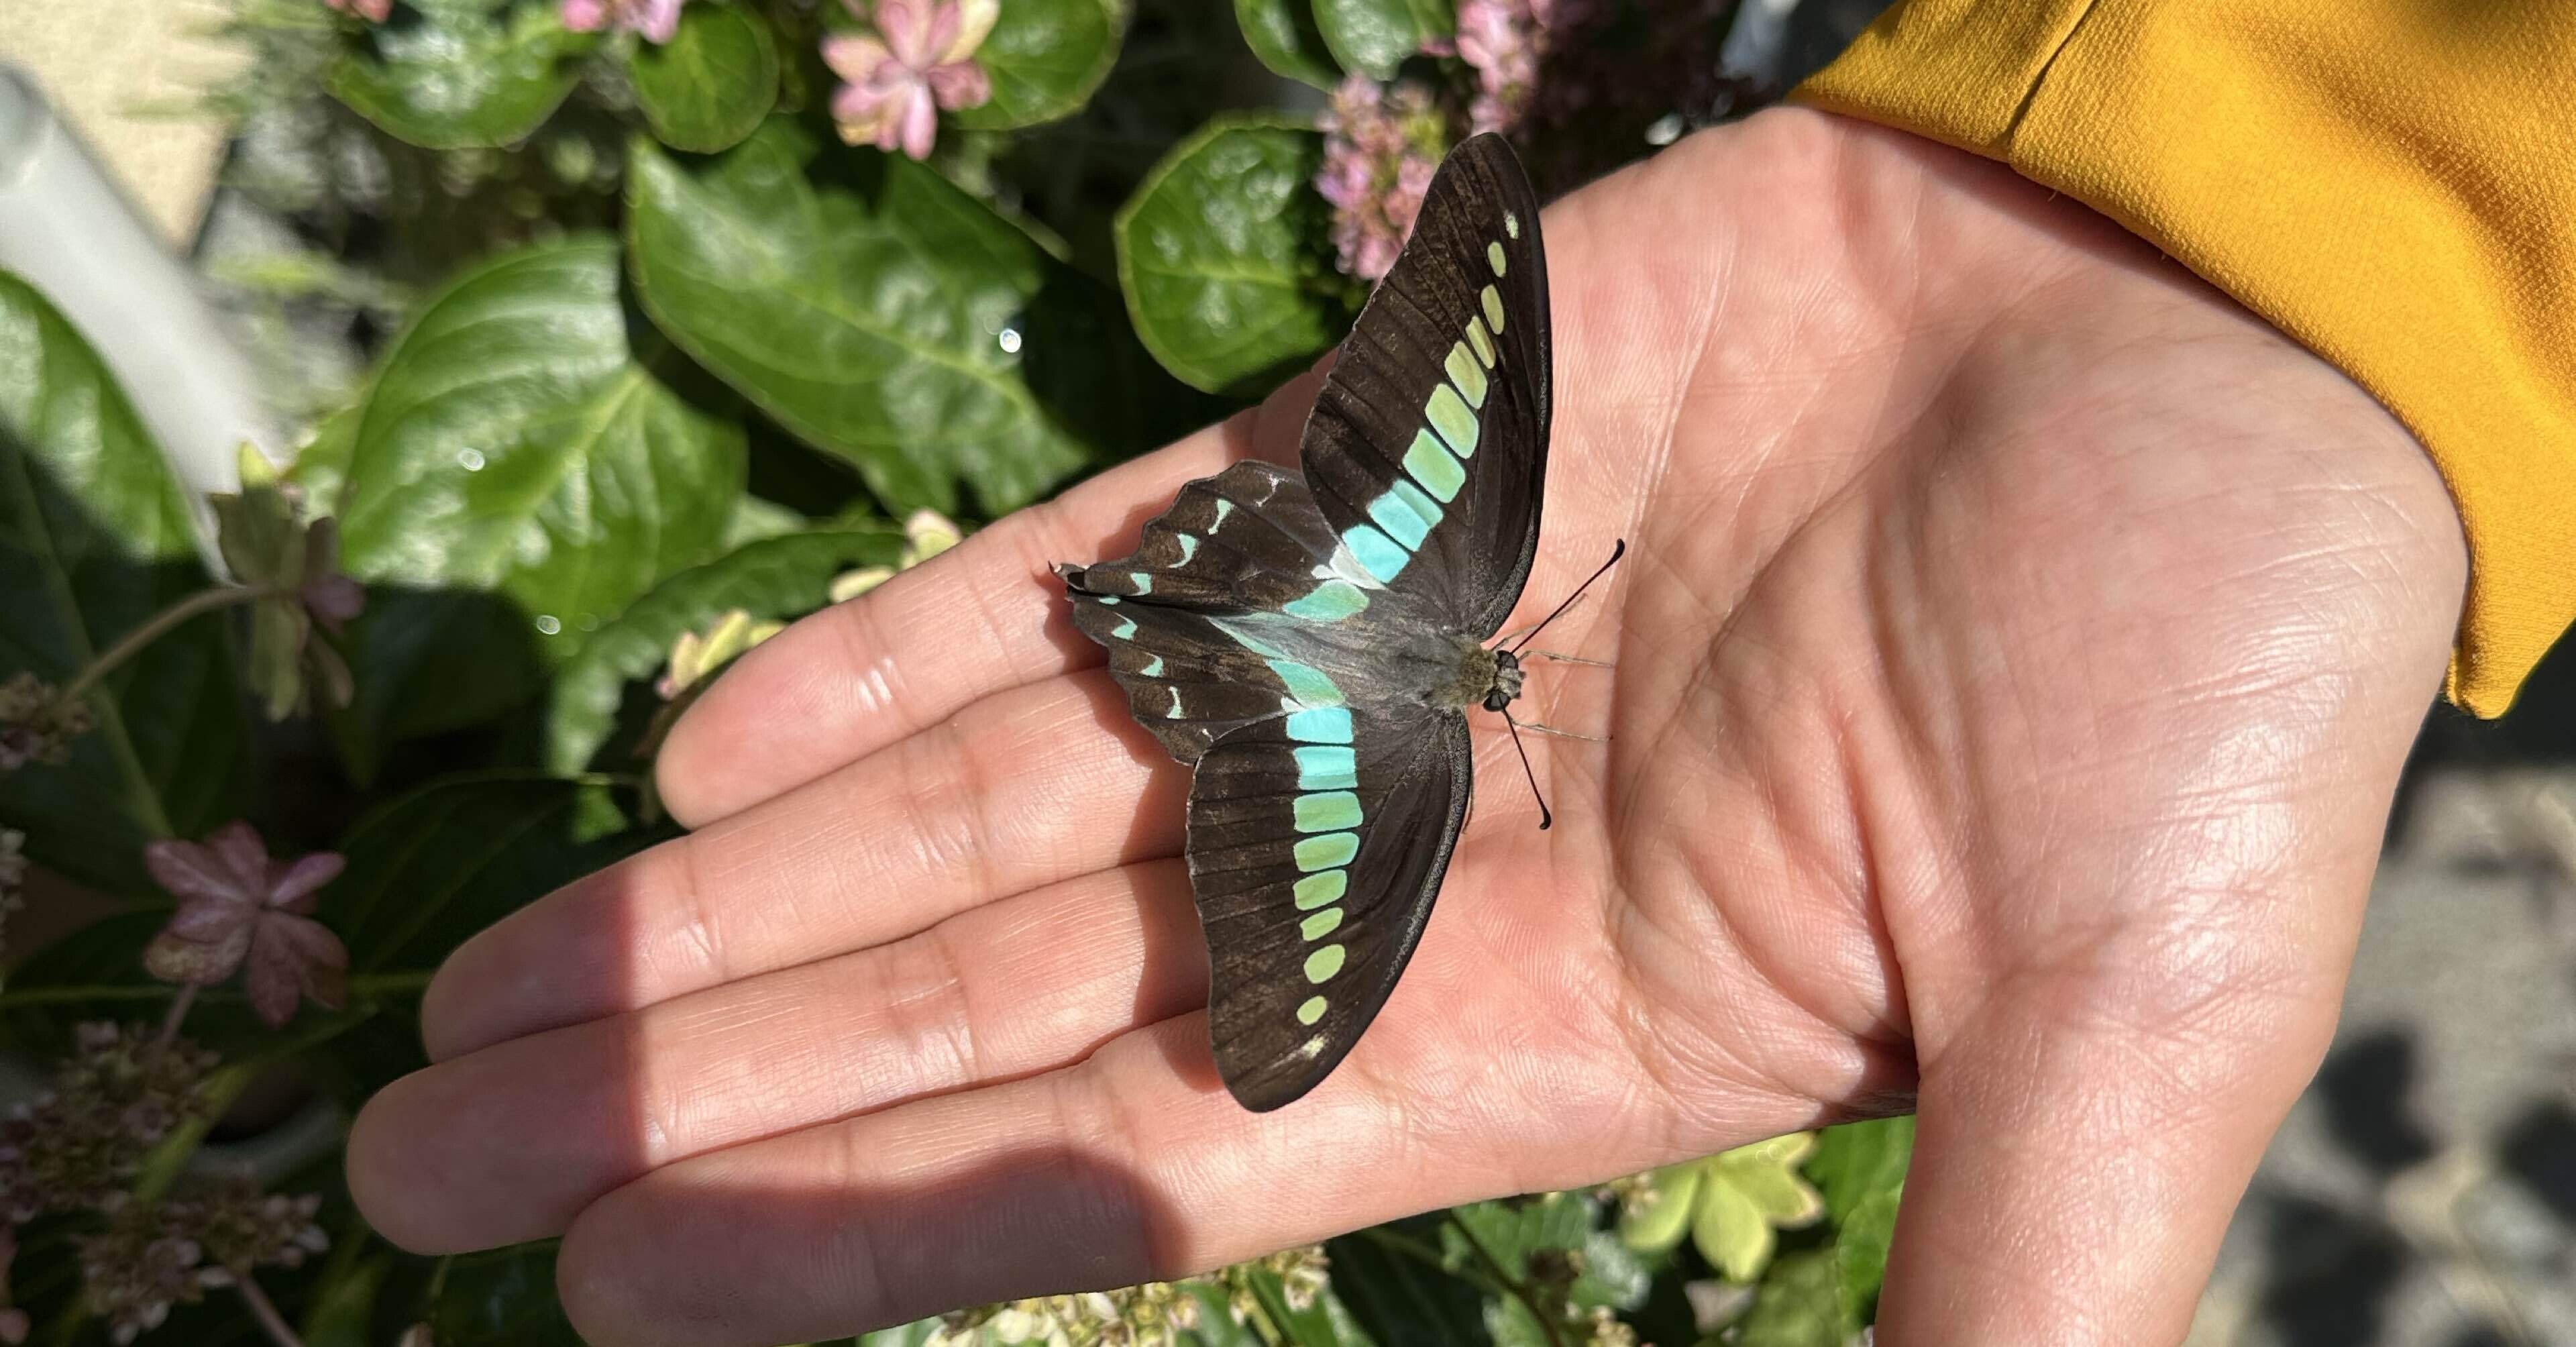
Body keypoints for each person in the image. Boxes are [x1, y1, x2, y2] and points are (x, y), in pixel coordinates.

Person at [345, 3, 2575, 1343]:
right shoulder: (1448, 702)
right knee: (1322, 812)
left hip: (1317, 588)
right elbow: (1466, 315)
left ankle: (1168, 616)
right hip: (1333, 674)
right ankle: (1168, 629)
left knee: (1329, 680)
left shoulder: (1459, 626)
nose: (1521, 681)